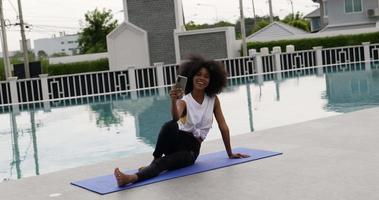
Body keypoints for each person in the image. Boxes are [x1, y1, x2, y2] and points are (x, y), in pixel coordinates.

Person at [114, 56, 249, 187]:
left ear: (211, 80)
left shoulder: (213, 100)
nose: (201, 78)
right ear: (192, 77)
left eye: (206, 76)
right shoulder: (185, 99)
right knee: (170, 125)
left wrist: (230, 153)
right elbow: (176, 117)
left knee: (164, 163)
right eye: (198, 74)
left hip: (191, 149)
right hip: (176, 141)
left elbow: (223, 126)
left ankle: (131, 178)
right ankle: (152, 162)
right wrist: (174, 100)